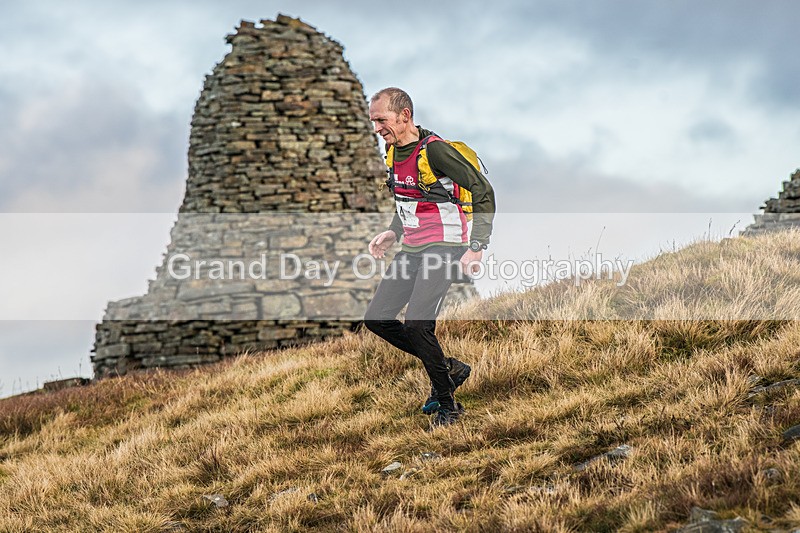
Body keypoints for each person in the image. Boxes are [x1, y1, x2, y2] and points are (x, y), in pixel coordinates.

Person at [363, 87, 496, 428]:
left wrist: (477, 246)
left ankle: (448, 403)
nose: (377, 128)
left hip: (445, 246)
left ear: (404, 115)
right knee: (377, 318)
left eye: (382, 120)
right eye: (374, 122)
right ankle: (449, 368)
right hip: (413, 247)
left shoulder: (435, 152)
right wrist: (394, 231)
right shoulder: (392, 153)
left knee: (419, 326)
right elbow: (407, 199)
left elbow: (483, 191)